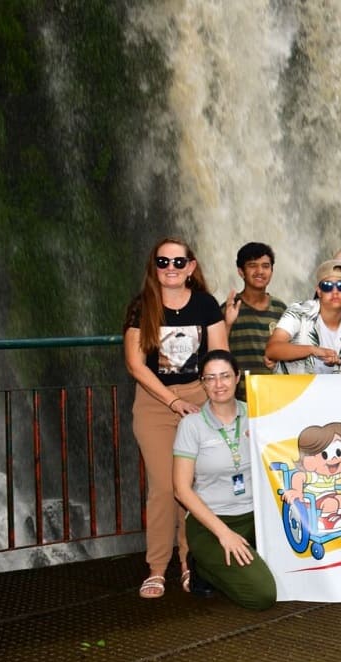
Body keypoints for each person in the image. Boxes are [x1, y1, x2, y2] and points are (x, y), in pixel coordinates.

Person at [123, 238, 228, 598]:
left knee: (196, 486)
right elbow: (136, 365)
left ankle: (190, 563)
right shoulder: (143, 307)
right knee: (165, 486)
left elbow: (219, 354)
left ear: (191, 267)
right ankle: (156, 567)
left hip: (199, 397)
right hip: (155, 404)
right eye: (163, 262)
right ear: (154, 267)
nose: (171, 268)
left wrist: (216, 398)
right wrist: (171, 402)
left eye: (178, 262)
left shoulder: (205, 304)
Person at [172, 350, 276, 610]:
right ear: (203, 383)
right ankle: (202, 567)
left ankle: (229, 564)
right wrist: (224, 534)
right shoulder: (192, 425)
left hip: (257, 517)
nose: (219, 385)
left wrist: (263, 445)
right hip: (212, 523)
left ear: (237, 377)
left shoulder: (258, 415)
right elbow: (181, 490)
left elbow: (282, 464)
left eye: (225, 376)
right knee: (262, 596)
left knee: (300, 573)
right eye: (211, 378)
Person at [265, 261, 341, 374]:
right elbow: (272, 349)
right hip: (288, 390)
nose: (335, 292)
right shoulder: (298, 311)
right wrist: (313, 350)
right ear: (319, 291)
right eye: (327, 286)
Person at [222, 242, 288, 399]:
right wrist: (227, 324)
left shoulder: (280, 309)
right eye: (252, 265)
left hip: (275, 396)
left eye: (266, 266)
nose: (260, 271)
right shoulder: (229, 309)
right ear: (241, 271)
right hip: (239, 399)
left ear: (272, 271)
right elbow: (216, 352)